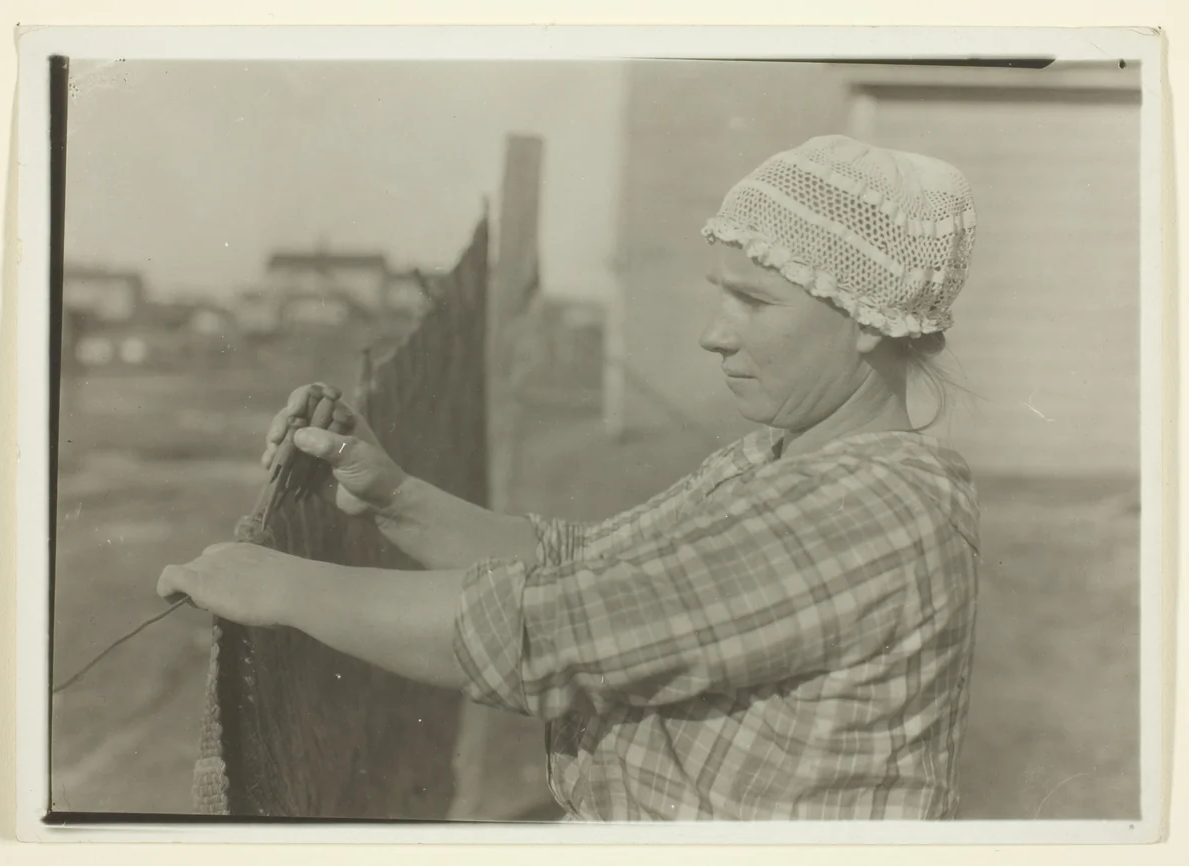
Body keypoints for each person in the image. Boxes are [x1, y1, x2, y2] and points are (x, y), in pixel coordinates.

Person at [159, 134, 982, 821]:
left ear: (868, 323)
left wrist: (283, 586)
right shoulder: (775, 457)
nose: (714, 334)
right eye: (721, 297)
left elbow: (551, 632)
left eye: (754, 303)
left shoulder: (871, 516)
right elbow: (576, 564)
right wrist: (391, 495)